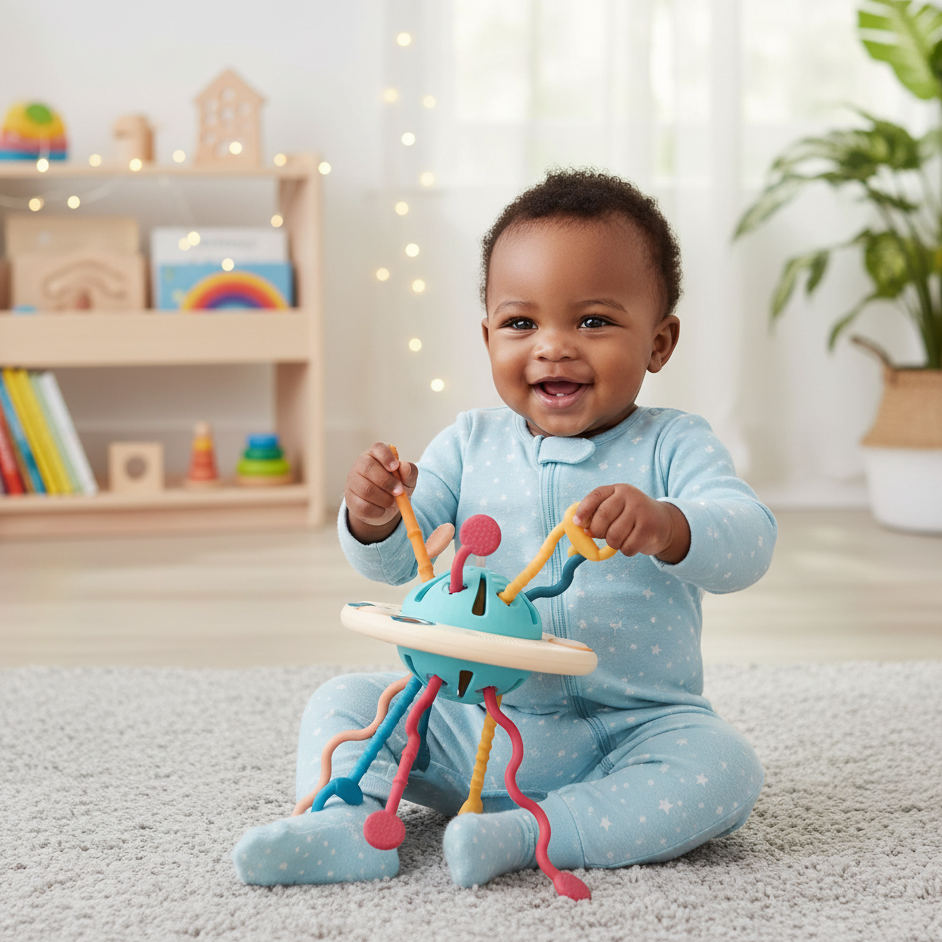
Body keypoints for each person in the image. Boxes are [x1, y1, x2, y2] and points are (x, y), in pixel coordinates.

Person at [233, 168, 777, 889]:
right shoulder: (469, 443)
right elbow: (398, 565)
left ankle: (525, 834)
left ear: (659, 341)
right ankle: (346, 824)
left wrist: (669, 525)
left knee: (725, 770)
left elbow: (749, 540)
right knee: (346, 702)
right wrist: (371, 516)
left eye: (593, 320)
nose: (553, 347)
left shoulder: (674, 445)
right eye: (522, 323)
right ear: (487, 334)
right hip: (474, 723)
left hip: (633, 729)